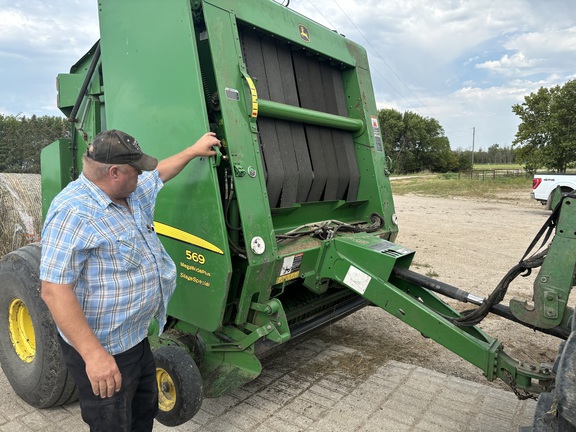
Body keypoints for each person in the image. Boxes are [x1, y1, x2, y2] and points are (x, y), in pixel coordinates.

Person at [40, 129, 221, 431]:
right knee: (112, 424)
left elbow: (160, 173)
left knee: (142, 413)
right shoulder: (73, 212)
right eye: (136, 169)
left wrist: (193, 150)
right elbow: (54, 291)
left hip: (135, 339)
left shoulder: (130, 193)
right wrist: (94, 356)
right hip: (104, 349)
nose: (142, 174)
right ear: (114, 172)